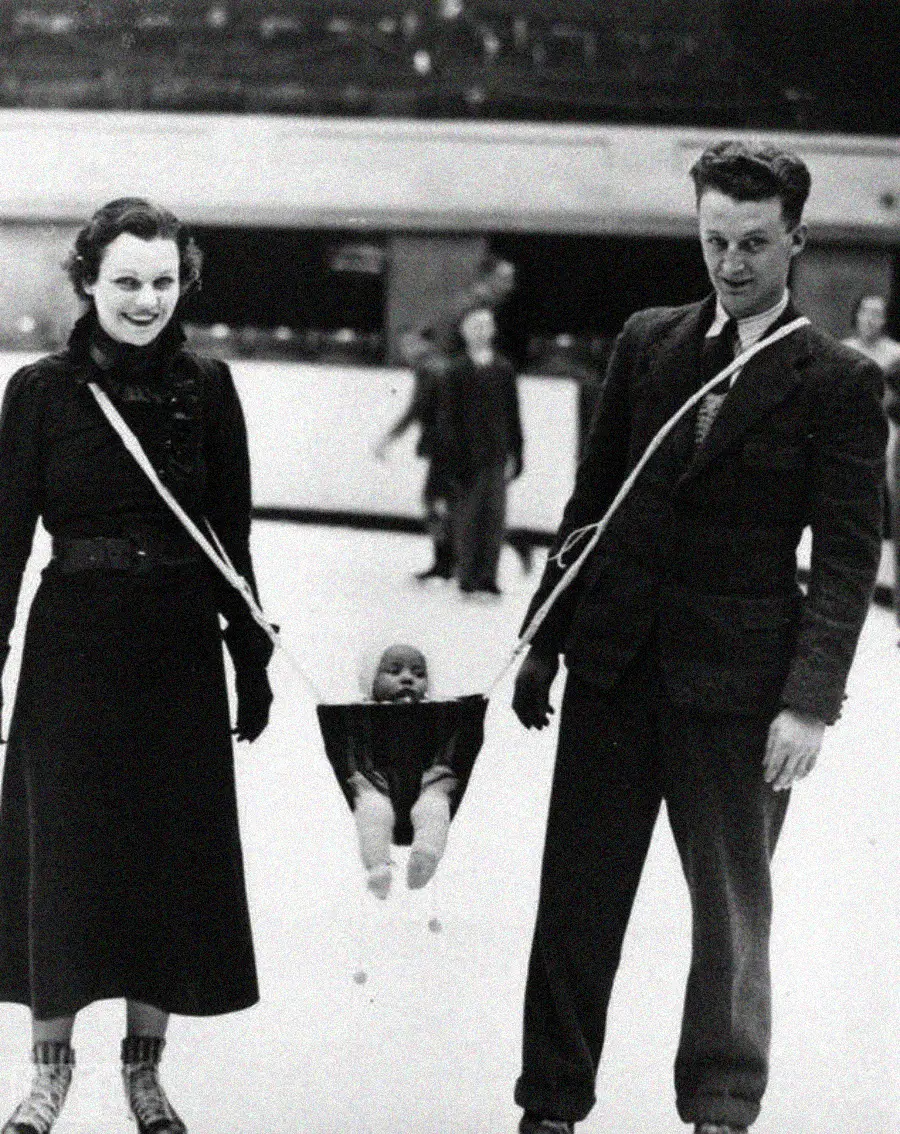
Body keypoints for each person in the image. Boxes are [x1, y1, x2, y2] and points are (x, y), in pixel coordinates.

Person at [511, 141, 886, 1134]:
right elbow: (594, 503)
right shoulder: (649, 340)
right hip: (616, 665)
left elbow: (848, 560)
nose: (730, 264)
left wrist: (811, 701)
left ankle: (721, 1106)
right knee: (576, 906)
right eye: (714, 239)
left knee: (730, 917)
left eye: (755, 244)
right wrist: (542, 639)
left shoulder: (835, 380)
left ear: (797, 239)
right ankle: (549, 1105)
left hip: (742, 687)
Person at [0, 198, 274, 1134]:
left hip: (177, 650)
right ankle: (47, 1074)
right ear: (88, 282)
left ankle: (146, 1074)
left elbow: (230, 536)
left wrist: (252, 657)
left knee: (164, 859)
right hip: (73, 644)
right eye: (127, 281)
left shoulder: (211, 387)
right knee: (64, 852)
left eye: (163, 281)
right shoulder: (40, 393)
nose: (146, 299)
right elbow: (4, 540)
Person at [351, 645, 456, 898]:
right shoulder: (359, 715)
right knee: (372, 808)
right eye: (394, 671)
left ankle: (426, 855)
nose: (407, 678)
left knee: (435, 804)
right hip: (375, 780)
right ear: (371, 681)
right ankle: (378, 868)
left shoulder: (437, 714)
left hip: (428, 780)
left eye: (419, 674)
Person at [443, 304, 523, 596]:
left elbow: (513, 413)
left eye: (485, 325)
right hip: (467, 456)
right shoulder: (455, 370)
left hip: (496, 454)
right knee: (467, 518)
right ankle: (467, 575)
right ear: (464, 331)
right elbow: (448, 419)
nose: (480, 331)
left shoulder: (504, 369)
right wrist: (451, 459)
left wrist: (518, 451)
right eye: (474, 325)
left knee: (494, 518)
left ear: (493, 330)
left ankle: (488, 575)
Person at [374, 329, 456, 581]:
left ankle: (444, 562)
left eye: (409, 345)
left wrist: (390, 437)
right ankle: (448, 562)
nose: (405, 351)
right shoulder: (444, 365)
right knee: (452, 502)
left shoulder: (428, 369)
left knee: (433, 501)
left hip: (443, 447)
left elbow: (416, 408)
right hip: (455, 444)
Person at [842, 293, 900, 638]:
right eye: (865, 312)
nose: (871, 320)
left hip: (891, 437)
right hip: (850, 440)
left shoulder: (896, 355)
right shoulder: (843, 350)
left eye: (878, 314)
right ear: (856, 315)